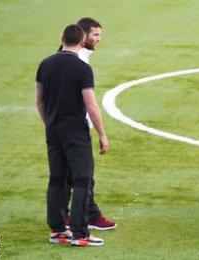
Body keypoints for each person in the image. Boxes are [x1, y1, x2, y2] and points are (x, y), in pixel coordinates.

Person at [36, 24, 108, 246]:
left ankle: (57, 231)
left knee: (57, 179)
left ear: (62, 38)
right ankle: (80, 234)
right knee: (81, 180)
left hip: (53, 130)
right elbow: (91, 106)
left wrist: (49, 122)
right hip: (76, 132)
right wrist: (102, 134)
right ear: (81, 41)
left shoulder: (45, 64)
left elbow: (39, 100)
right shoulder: (82, 68)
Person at [60, 17, 117, 231]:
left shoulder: (63, 56)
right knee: (83, 175)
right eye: (95, 35)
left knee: (66, 175)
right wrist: (102, 134)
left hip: (61, 125)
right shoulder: (80, 61)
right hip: (75, 127)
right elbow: (90, 104)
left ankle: (63, 218)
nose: (99, 39)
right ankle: (86, 218)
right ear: (83, 37)